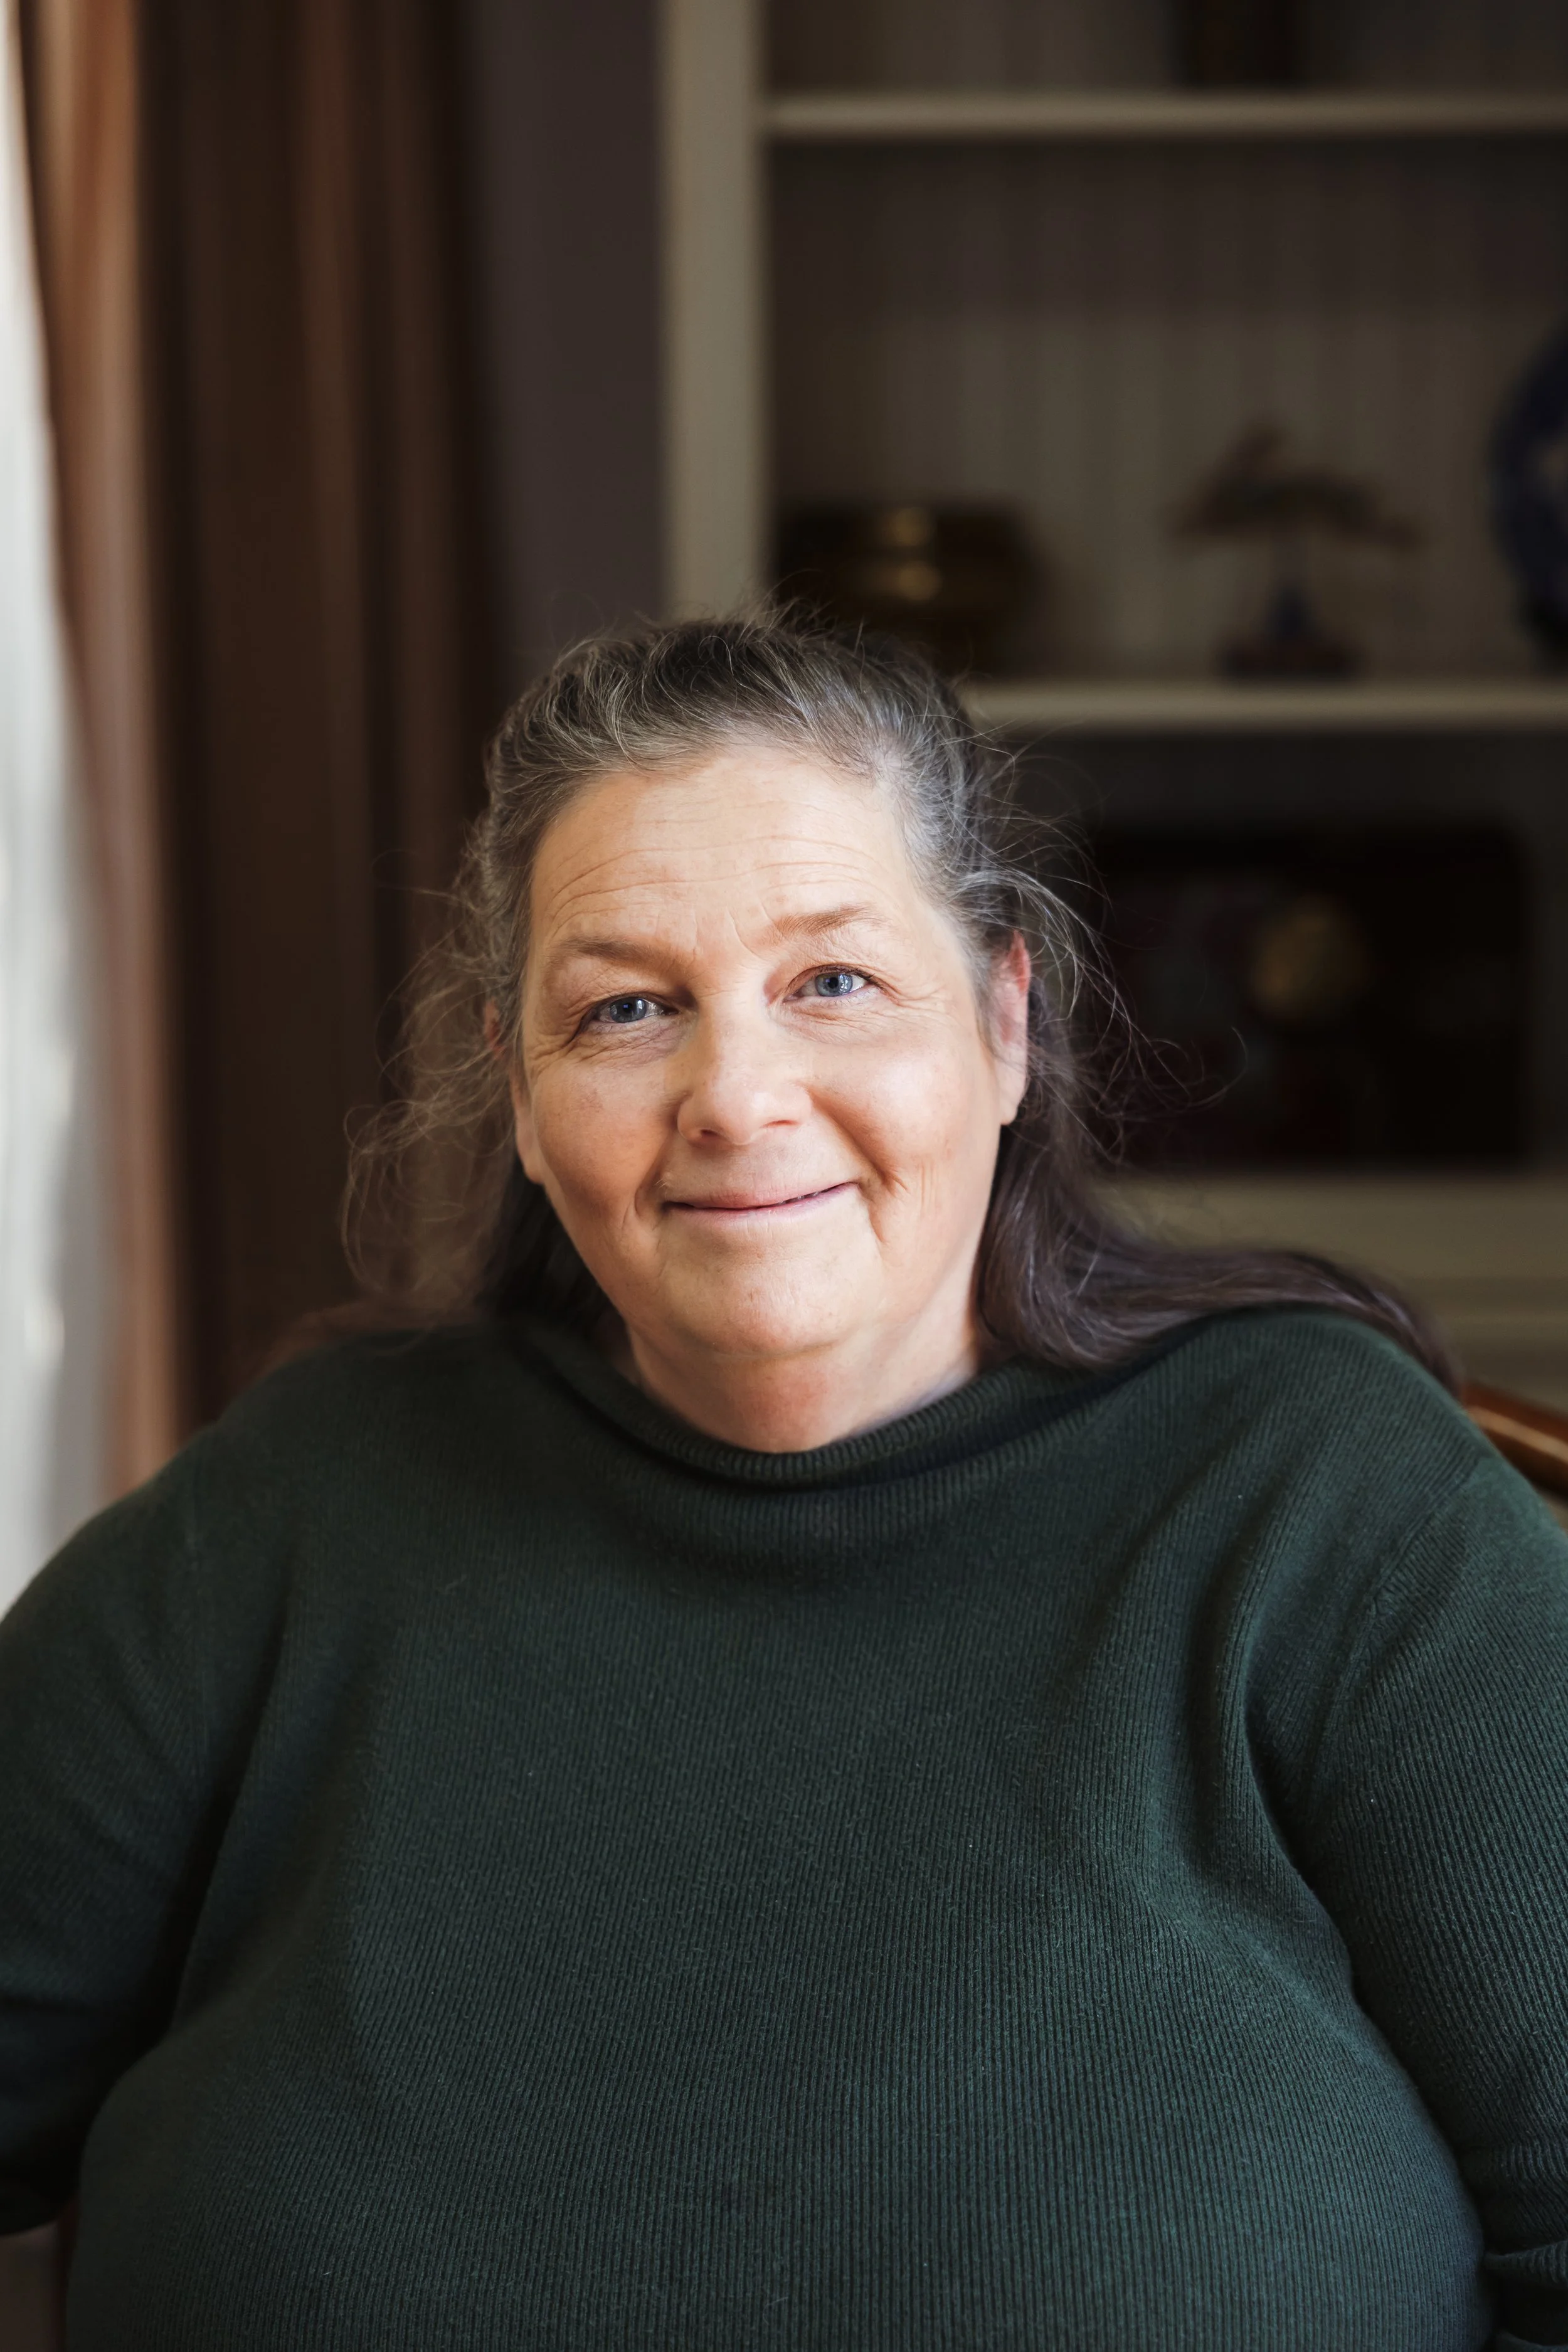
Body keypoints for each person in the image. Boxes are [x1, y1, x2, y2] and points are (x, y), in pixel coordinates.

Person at [1, 615, 1565, 2351]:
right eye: (627, 1007)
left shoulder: (1322, 1495)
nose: (736, 1097)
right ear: (520, 1097)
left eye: (832, 981)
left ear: (1001, 1022)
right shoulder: (289, 1514)